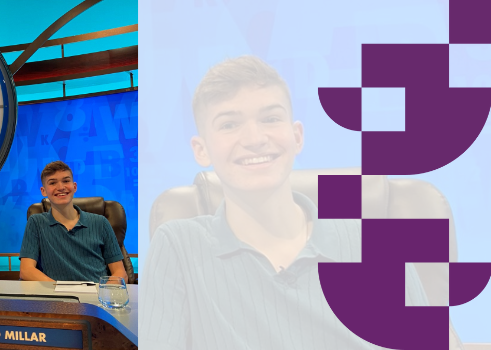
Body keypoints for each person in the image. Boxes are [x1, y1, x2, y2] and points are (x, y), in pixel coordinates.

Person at [140, 55, 461, 349]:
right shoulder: (179, 247)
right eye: (229, 124)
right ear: (201, 150)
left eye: (270, 118)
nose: (254, 139)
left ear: (297, 137)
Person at [18, 160, 128, 282]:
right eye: (53, 183)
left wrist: (106, 292)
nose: (60, 187)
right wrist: (60, 291)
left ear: (74, 186)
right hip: (57, 297)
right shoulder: (36, 222)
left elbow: (120, 273)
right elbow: (26, 270)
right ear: (43, 191)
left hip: (95, 295)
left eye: (66, 181)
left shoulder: (101, 222)